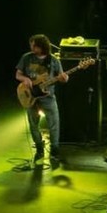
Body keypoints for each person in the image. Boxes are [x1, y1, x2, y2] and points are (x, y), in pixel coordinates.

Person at [16, 33, 68, 166]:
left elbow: (63, 78)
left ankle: (54, 151)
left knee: (54, 124)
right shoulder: (26, 58)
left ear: (41, 46)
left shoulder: (54, 61)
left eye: (34, 46)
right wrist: (25, 79)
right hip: (31, 95)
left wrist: (64, 78)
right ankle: (39, 148)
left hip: (48, 97)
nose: (32, 48)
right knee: (33, 124)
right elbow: (18, 74)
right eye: (31, 45)